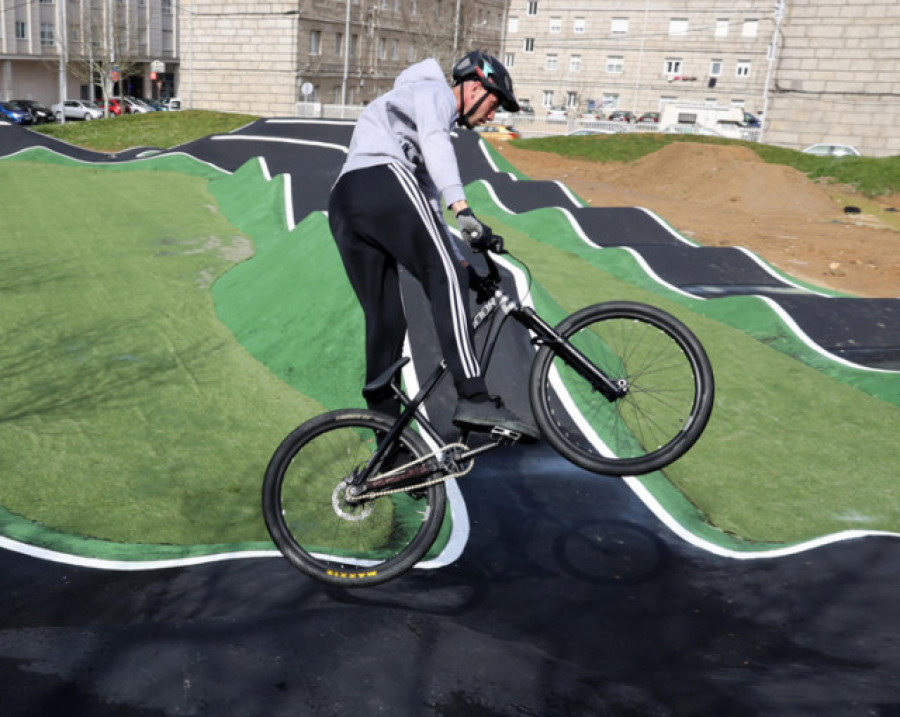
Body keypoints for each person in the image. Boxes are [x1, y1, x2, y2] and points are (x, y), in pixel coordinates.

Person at [328, 50, 538, 440]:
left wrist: (464, 265)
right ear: (474, 86)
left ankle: (386, 437)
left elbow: (425, 208)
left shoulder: (407, 109)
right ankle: (473, 394)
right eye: (494, 103)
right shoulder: (435, 94)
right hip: (382, 180)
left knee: (386, 318)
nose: (493, 115)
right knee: (444, 279)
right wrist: (463, 209)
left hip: (344, 203)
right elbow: (436, 144)